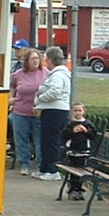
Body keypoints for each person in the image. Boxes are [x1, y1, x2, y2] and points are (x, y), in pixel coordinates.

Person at [32, 46, 71, 181]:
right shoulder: (55, 74)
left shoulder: (58, 75)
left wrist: (40, 99)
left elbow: (55, 92)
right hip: (52, 111)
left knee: (51, 141)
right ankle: (44, 168)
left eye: (45, 59)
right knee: (46, 140)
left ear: (49, 60)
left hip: (55, 111)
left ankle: (52, 170)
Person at [8, 48, 45, 175]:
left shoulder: (45, 73)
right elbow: (12, 85)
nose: (35, 61)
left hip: (38, 113)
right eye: (33, 59)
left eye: (37, 58)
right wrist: (11, 98)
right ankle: (24, 163)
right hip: (20, 112)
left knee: (39, 139)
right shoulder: (18, 74)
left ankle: (41, 164)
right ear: (27, 61)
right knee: (21, 139)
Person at [60, 102, 99, 200]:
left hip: (84, 151)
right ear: (71, 112)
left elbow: (93, 136)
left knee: (81, 171)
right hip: (72, 151)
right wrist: (73, 131)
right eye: (75, 111)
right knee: (73, 171)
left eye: (80, 110)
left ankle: (79, 189)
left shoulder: (88, 124)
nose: (78, 113)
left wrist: (86, 131)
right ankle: (72, 189)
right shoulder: (70, 124)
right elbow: (64, 136)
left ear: (84, 111)